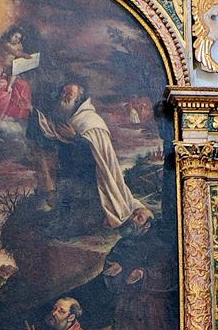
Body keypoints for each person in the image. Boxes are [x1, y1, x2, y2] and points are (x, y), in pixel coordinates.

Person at [33, 83, 146, 229]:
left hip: (92, 181)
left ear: (78, 100)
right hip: (72, 176)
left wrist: (75, 138)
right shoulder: (68, 118)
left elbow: (95, 155)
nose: (64, 97)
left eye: (69, 94)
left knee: (73, 220)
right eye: (63, 93)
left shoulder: (91, 121)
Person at [102, 206, 176, 330]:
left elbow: (168, 273)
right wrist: (117, 269)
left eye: (140, 217)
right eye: (134, 214)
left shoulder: (159, 246)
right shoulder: (123, 244)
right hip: (126, 302)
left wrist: (144, 274)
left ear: (147, 226)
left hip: (149, 304)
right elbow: (112, 262)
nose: (134, 218)